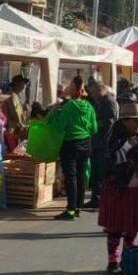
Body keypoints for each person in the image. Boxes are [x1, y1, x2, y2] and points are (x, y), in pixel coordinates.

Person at [98, 102, 138, 275]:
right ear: (125, 121)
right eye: (135, 120)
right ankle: (113, 261)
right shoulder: (114, 138)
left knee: (133, 224)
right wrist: (127, 147)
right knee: (115, 226)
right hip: (118, 188)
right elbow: (108, 162)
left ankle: (128, 255)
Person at [47, 76, 98, 220]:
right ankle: (78, 208)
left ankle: (70, 210)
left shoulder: (69, 106)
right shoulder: (89, 106)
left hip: (71, 144)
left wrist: (55, 113)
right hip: (86, 144)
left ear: (73, 89)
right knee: (81, 175)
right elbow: (94, 129)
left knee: (71, 177)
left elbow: (59, 126)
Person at [86, 82, 118, 209]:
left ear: (100, 90)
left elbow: (109, 122)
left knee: (100, 172)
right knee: (96, 172)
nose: (92, 95)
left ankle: (99, 198)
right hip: (98, 142)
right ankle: (96, 197)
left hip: (103, 142)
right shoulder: (101, 102)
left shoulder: (108, 102)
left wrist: (94, 124)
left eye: (93, 92)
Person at [2, 74, 29, 152]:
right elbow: (15, 113)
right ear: (17, 84)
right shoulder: (12, 96)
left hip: (15, 129)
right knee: (15, 153)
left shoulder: (16, 95)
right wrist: (23, 127)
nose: (23, 86)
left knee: (17, 151)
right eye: (22, 83)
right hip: (12, 129)